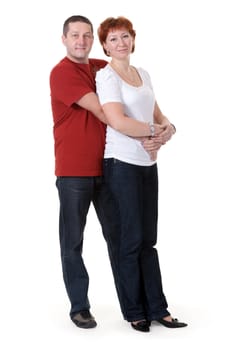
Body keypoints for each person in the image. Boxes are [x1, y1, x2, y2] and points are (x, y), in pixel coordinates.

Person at [49, 15, 161, 330]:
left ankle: (138, 306)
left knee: (122, 239)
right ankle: (79, 307)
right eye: (75, 35)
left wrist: (160, 128)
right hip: (74, 172)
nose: (81, 41)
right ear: (64, 39)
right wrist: (151, 135)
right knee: (73, 242)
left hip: (108, 167)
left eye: (86, 35)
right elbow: (105, 112)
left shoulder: (101, 66)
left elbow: (127, 83)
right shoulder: (61, 73)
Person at [96, 16, 188, 332]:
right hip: (120, 164)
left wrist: (167, 131)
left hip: (148, 164)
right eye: (113, 39)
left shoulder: (143, 74)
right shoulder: (107, 77)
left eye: (125, 37)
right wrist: (152, 132)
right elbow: (117, 121)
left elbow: (158, 115)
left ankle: (158, 308)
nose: (120, 43)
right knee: (130, 240)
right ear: (105, 46)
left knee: (149, 240)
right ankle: (135, 311)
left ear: (133, 39)